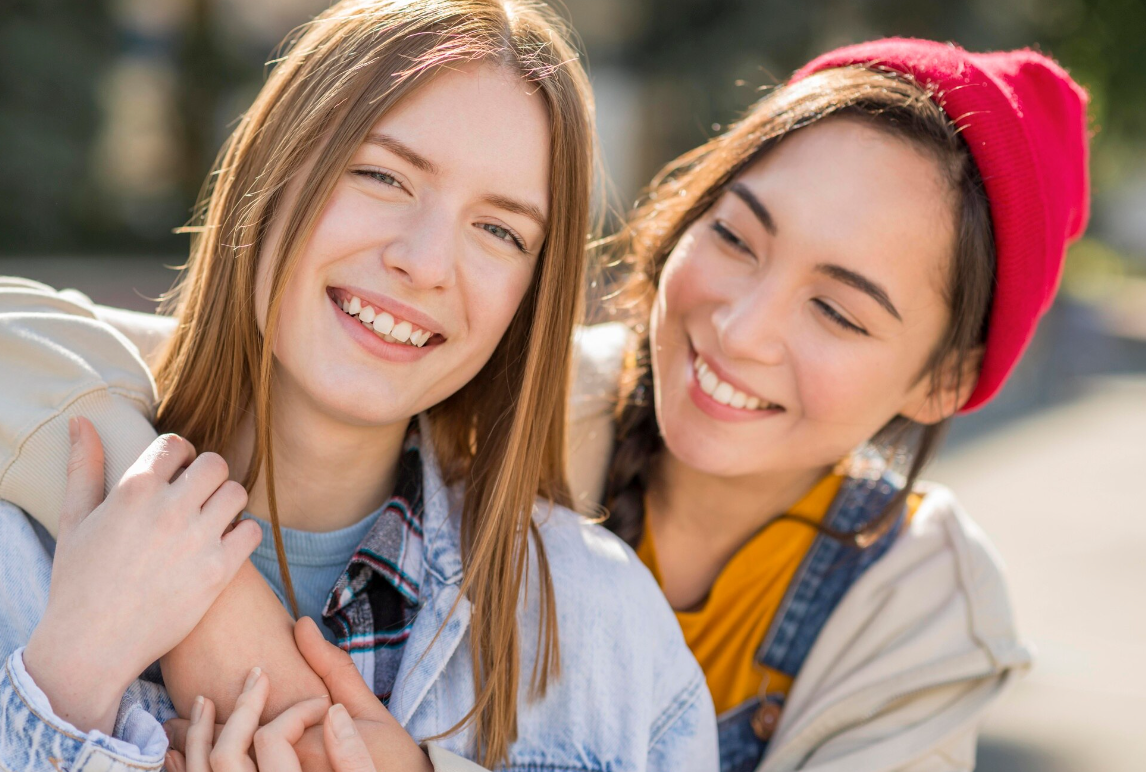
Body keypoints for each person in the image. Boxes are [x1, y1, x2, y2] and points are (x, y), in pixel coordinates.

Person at [1, 37, 1088, 772]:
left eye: (841, 315)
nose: (743, 330)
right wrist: (195, 599)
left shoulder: (918, 604)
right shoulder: (489, 374)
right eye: (736, 236)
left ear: (944, 381)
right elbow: (87, 352)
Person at [0, 1, 717, 770]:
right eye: (382, 175)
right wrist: (68, 683)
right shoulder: (18, 550)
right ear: (271, 169)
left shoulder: (603, 631)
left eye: (501, 230)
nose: (428, 262)